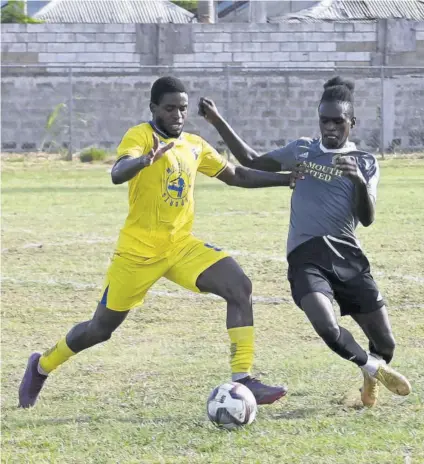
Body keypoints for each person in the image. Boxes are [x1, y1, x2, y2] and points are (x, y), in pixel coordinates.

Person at [18, 76, 302, 409]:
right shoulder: (140, 137)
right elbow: (117, 171)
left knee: (239, 287)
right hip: (137, 253)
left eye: (182, 108)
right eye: (169, 109)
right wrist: (144, 160)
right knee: (100, 329)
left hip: (180, 246)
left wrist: (287, 180)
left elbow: (237, 175)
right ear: (154, 108)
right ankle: (41, 365)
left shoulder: (194, 144)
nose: (177, 115)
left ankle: (243, 379)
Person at [199, 76, 412, 407]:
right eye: (324, 120)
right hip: (306, 257)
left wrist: (356, 178)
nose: (330, 127)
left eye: (337, 121)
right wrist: (217, 121)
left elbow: (367, 218)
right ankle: (372, 368)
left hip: (348, 257)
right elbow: (251, 160)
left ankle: (370, 375)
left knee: (385, 345)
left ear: (351, 123)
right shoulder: (302, 149)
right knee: (326, 326)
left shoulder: (366, 163)